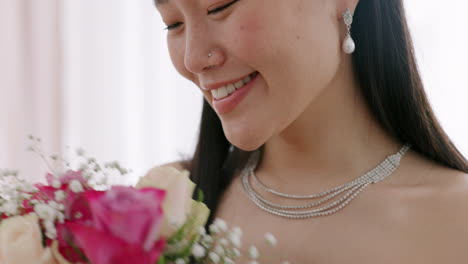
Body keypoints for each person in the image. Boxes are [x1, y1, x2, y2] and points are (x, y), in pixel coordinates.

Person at [153, 0, 468, 262]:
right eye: (173, 24)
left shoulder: (456, 222)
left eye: (220, 6)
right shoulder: (163, 206)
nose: (192, 59)